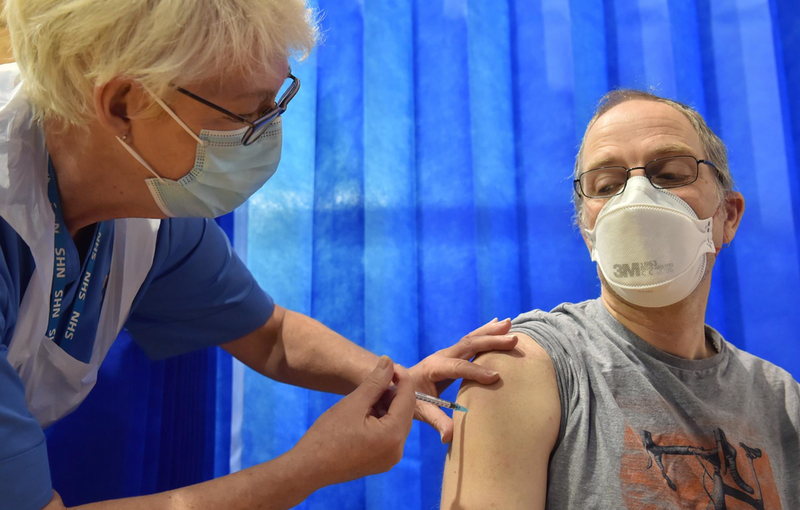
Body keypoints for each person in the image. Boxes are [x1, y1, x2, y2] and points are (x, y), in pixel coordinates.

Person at [0, 1, 520, 509]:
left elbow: (270, 336)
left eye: (277, 103)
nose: (268, 135)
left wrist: (399, 380)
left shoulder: (145, 210)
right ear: (122, 104)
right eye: (246, 113)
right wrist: (306, 469)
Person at [440, 90, 800, 509]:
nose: (637, 198)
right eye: (608, 185)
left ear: (728, 216)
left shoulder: (783, 403)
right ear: (585, 230)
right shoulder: (520, 369)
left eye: (669, 175)